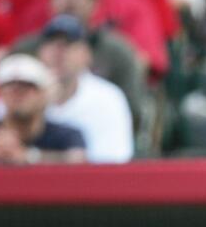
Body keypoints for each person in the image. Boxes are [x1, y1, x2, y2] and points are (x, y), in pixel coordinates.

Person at [11, 0, 148, 127]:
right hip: (32, 143)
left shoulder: (118, 52)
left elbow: (132, 115)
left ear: (95, 1)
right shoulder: (25, 50)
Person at [36, 14, 134, 162]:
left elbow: (112, 163)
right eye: (52, 43)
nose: (59, 52)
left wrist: (32, 157)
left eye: (68, 44)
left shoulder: (108, 98)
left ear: (87, 54)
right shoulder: (19, 90)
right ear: (40, 52)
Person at [0, 52, 86, 164]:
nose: (18, 95)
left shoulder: (65, 135)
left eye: (27, 88)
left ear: (44, 93)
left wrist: (28, 156)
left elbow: (79, 159)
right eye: (10, 89)